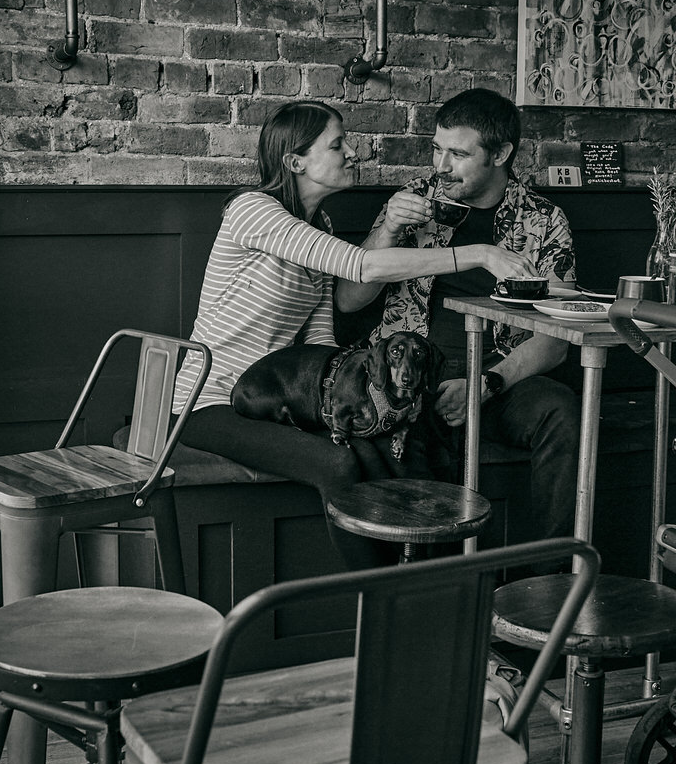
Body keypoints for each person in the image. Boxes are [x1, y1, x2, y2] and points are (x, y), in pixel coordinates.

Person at [171, 100, 535, 569]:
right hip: (209, 402)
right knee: (337, 463)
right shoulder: (252, 211)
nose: (352, 152)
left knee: (386, 444)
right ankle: (381, 596)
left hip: (283, 399)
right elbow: (361, 265)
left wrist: (375, 405)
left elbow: (322, 344)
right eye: (338, 144)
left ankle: (433, 578)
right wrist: (479, 253)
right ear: (295, 161)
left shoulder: (317, 226)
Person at [336, 88, 581, 546]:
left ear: (501, 153)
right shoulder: (412, 203)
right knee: (408, 430)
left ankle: (549, 578)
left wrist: (485, 384)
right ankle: (440, 583)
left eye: (458, 154)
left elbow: (557, 335)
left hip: (496, 379)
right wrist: (388, 228)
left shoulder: (545, 222)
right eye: (437, 149)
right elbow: (350, 300)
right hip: (408, 375)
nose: (440, 167)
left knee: (561, 410)